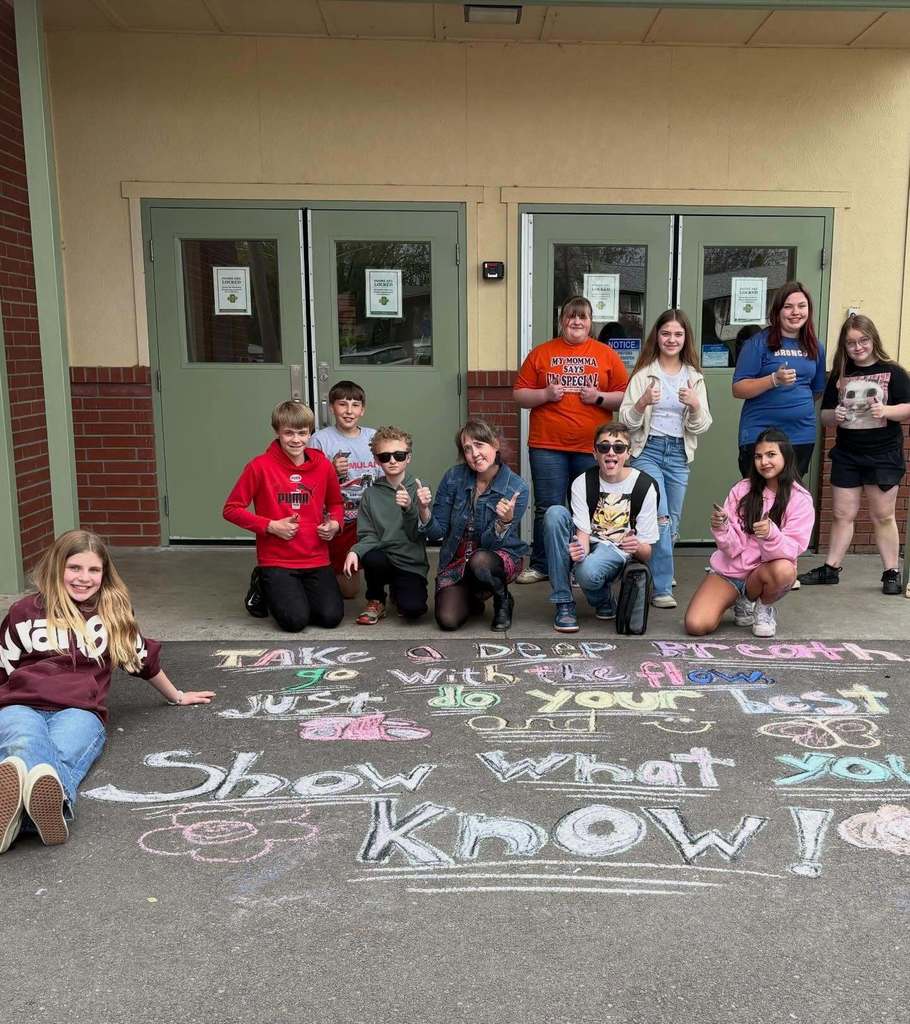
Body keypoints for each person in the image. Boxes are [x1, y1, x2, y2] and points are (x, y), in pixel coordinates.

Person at [0, 530, 214, 853]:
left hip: (80, 711)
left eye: (93, 570)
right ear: (58, 567)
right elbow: (4, 665)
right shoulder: (24, 612)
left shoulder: (111, 615)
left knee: (53, 757)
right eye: (74, 568)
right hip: (21, 704)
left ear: (104, 573)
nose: (83, 578)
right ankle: (49, 810)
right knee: (24, 743)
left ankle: (19, 817)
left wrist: (177, 695)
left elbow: (142, 660)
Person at [513, 295, 629, 584]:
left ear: (590, 322)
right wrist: (545, 395)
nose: (576, 321)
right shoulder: (541, 353)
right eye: (570, 316)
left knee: (589, 508)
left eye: (582, 317)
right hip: (547, 445)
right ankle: (542, 564)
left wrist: (598, 397)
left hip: (592, 448)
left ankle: (583, 564)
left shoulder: (605, 354)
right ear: (561, 320)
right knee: (548, 507)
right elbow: (519, 394)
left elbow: (625, 395)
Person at [798, 313, 910, 595]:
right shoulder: (841, 374)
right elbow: (824, 416)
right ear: (844, 346)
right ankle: (831, 568)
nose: (858, 347)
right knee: (841, 514)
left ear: (873, 339)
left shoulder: (893, 372)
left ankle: (891, 572)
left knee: (883, 515)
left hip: (883, 453)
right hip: (848, 453)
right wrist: (833, 415)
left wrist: (886, 411)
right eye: (851, 343)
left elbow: (908, 407)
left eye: (863, 340)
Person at [223, 400, 344, 632]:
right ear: (277, 431)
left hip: (316, 556)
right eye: (288, 433)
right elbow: (231, 509)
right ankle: (262, 581)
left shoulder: (323, 466)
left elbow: (336, 503)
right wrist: (270, 526)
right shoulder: (259, 466)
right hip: (277, 558)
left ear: (310, 433)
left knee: (330, 618)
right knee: (295, 622)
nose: (296, 439)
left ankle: (292, 592)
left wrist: (335, 523)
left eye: (302, 433)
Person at [619, 309, 712, 609]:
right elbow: (625, 420)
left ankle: (652, 566)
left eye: (678, 334)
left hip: (678, 454)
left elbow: (703, 424)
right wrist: (643, 402)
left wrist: (696, 406)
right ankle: (661, 587)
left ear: (685, 339)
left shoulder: (694, 377)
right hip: (647, 451)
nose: (671, 339)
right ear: (656, 337)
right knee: (660, 515)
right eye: (666, 333)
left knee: (671, 522)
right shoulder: (644, 373)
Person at [684, 428, 814, 639]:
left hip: (764, 572)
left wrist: (771, 534)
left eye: (771, 455)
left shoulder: (800, 498)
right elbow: (732, 548)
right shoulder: (742, 489)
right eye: (758, 456)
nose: (764, 462)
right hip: (730, 571)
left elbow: (793, 549)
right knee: (696, 625)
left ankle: (764, 605)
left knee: (784, 570)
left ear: (786, 457)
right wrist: (722, 527)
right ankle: (742, 602)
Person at [543, 423, 658, 633]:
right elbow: (583, 534)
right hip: (591, 543)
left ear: (628, 453)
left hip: (616, 550)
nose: (611, 452)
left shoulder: (644, 485)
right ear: (594, 453)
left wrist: (635, 545)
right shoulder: (582, 482)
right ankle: (564, 603)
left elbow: (647, 552)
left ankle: (603, 598)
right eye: (604, 447)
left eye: (619, 447)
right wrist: (579, 552)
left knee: (586, 572)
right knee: (554, 514)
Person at [418, 419, 529, 632]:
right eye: (467, 449)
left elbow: (490, 543)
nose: (474, 453)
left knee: (480, 560)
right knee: (447, 620)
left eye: (479, 445)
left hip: (495, 557)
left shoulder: (516, 487)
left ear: (495, 445)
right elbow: (438, 531)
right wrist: (423, 510)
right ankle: (473, 595)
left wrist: (504, 521)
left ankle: (502, 599)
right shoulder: (453, 477)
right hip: (456, 561)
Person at [732, 282, 826, 478]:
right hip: (760, 434)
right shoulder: (757, 343)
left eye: (801, 306)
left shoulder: (816, 346)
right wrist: (773, 380)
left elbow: (816, 390)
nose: (795, 312)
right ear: (777, 311)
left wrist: (795, 405)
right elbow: (738, 388)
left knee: (790, 500)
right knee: (759, 499)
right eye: (788, 306)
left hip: (800, 434)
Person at [343, 427, 429, 624]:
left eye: (399, 455)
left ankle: (399, 591)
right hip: (383, 557)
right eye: (385, 456)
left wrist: (410, 508)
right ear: (376, 460)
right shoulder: (371, 494)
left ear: (408, 458)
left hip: (410, 561)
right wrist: (355, 551)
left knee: (414, 610)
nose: (392, 460)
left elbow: (418, 534)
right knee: (371, 556)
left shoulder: (419, 488)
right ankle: (376, 598)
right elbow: (368, 535)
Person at [309, 380, 381, 599]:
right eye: (342, 404)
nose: (349, 411)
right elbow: (309, 484)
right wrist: (331, 471)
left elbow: (389, 475)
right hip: (339, 519)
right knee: (349, 592)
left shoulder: (373, 437)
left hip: (370, 517)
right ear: (331, 408)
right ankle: (321, 573)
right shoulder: (320, 440)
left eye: (355, 405)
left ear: (363, 409)